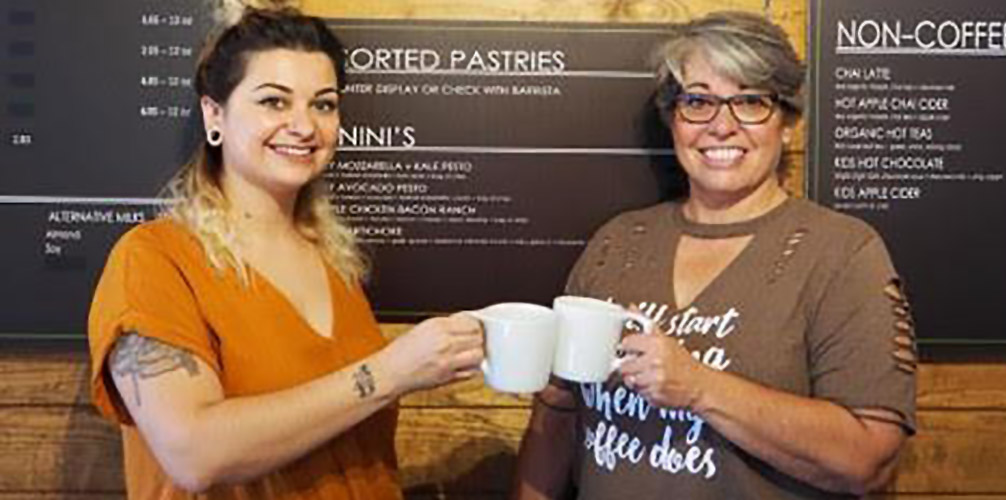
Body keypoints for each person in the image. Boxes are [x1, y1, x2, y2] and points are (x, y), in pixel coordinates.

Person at [513, 11, 917, 499]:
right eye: (699, 101)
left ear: (788, 122)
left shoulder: (842, 252)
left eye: (750, 101)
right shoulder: (616, 243)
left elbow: (869, 460)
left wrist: (699, 387)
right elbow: (556, 422)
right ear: (673, 119)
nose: (722, 126)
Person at [88, 8, 484, 499]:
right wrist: (391, 372)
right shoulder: (154, 259)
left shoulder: (334, 262)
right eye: (274, 101)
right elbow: (194, 453)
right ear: (215, 115)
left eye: (323, 104)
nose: (303, 125)